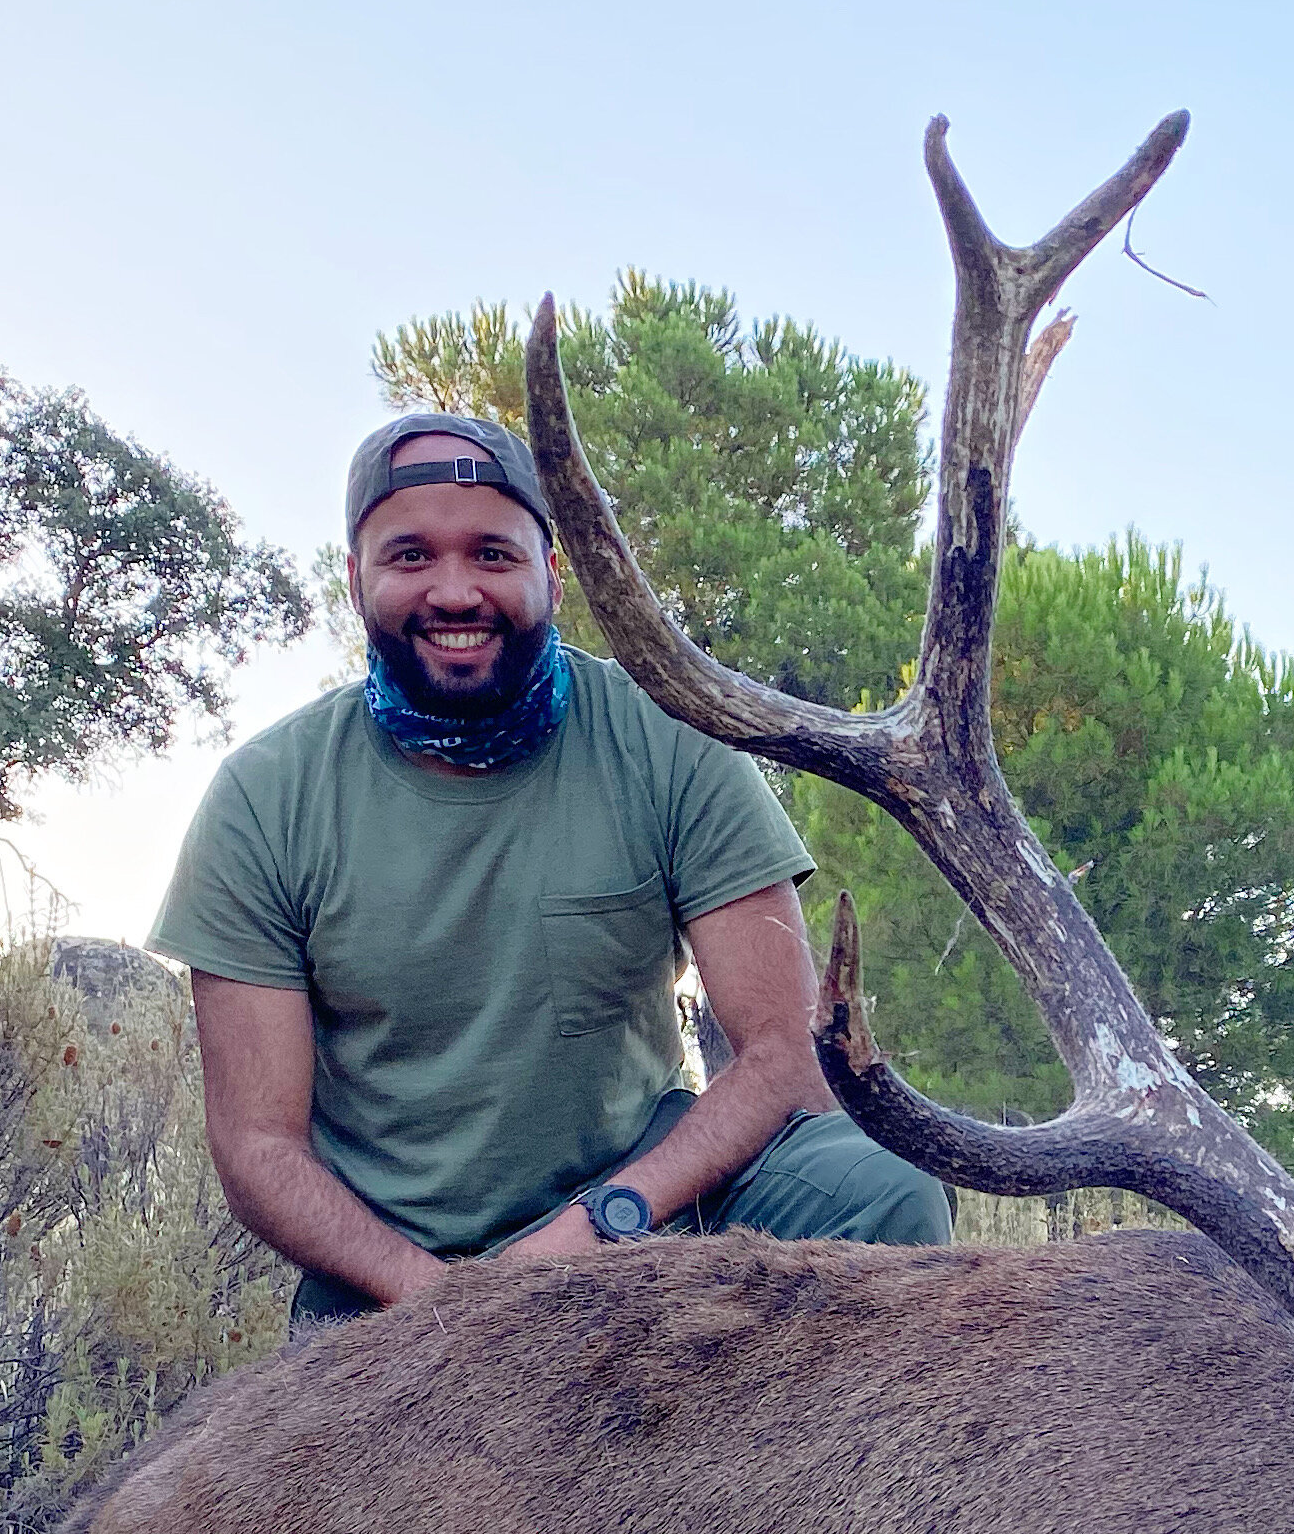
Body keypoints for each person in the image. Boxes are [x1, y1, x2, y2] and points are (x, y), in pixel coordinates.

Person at [150, 412, 950, 1333]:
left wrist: (605, 1225)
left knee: (884, 1193)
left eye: (493, 555)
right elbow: (258, 1148)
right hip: (393, 1273)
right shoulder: (263, 798)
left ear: (551, 574)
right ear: (355, 578)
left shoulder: (669, 738)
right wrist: (447, 1306)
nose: (454, 591)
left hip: (641, 1212)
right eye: (409, 556)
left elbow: (781, 1058)